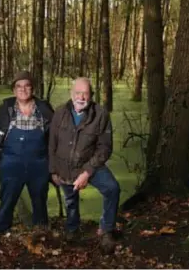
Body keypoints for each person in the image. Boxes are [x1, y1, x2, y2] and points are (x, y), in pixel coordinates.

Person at [48, 77, 120, 254]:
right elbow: (51, 144)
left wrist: (88, 172)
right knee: (70, 200)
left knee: (112, 188)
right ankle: (72, 230)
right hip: (64, 166)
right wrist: (53, 170)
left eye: (85, 93)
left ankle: (106, 229)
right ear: (71, 94)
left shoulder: (100, 114)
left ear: (91, 95)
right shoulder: (60, 112)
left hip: (90, 164)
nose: (81, 97)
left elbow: (105, 147)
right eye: (78, 93)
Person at [0, 70, 54, 236]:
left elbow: (55, 138)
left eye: (27, 86)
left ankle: (41, 235)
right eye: (18, 86)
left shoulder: (44, 109)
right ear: (13, 90)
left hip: (39, 166)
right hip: (11, 165)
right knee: (7, 201)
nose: (23, 89)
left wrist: (53, 165)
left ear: (33, 88)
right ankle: (1, 234)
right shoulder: (5, 110)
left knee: (39, 201)